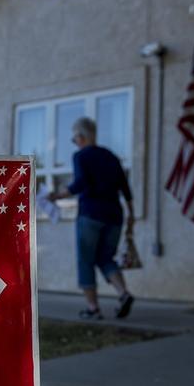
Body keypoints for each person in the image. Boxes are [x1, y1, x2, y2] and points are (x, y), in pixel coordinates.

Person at [49, 117, 136, 319]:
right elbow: (126, 188)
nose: (75, 142)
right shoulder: (111, 157)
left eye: (74, 138)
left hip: (90, 215)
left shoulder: (81, 156)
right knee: (106, 257)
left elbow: (80, 183)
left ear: (82, 136)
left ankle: (93, 308)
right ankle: (123, 294)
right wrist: (131, 216)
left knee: (86, 260)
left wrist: (57, 195)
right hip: (115, 215)